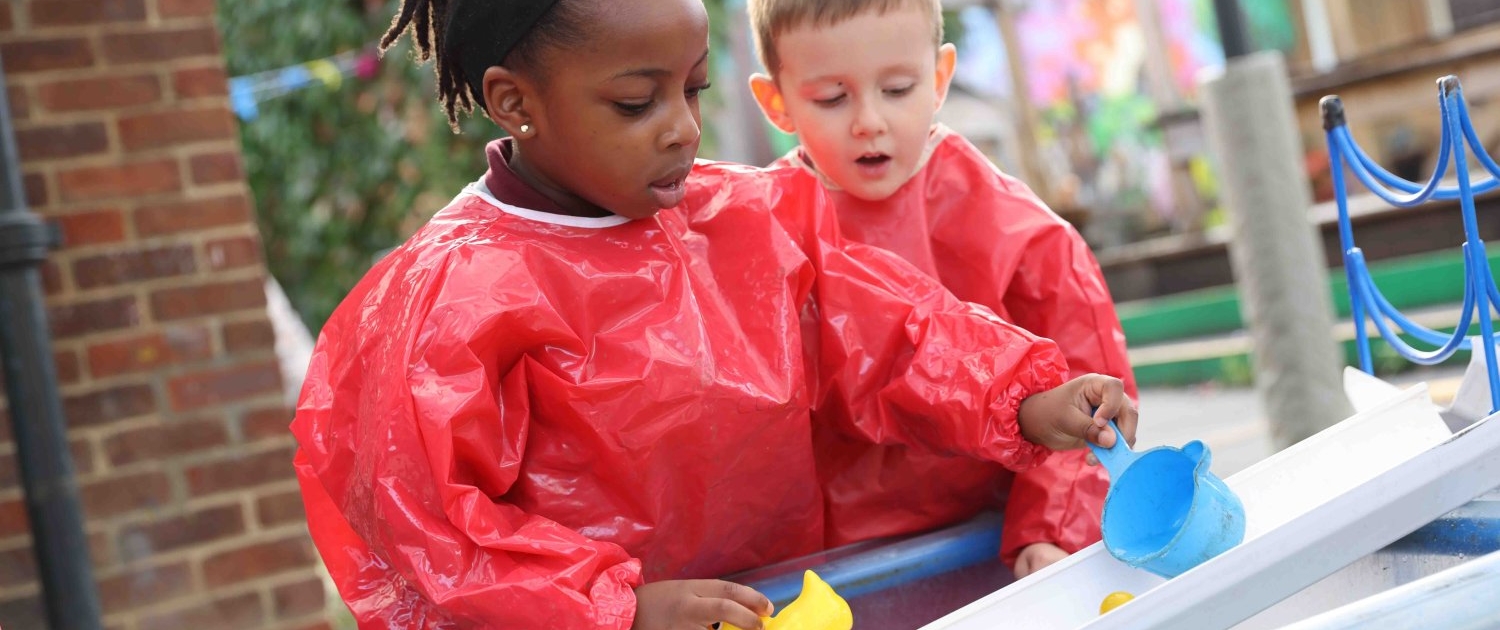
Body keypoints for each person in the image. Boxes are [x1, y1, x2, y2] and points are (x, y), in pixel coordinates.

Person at [291, 0, 1139, 627]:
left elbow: (888, 330)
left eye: (692, 90)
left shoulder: (742, 217)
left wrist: (1025, 398)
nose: (682, 130)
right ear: (515, 103)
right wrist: (618, 608)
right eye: (637, 103)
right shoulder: (448, 297)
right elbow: (431, 531)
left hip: (793, 607)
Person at [746, 0, 1138, 577]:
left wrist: (1050, 526)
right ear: (776, 101)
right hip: (835, 568)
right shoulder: (762, 233)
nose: (868, 121)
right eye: (831, 98)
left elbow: (1089, 388)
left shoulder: (1012, 227)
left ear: (938, 78)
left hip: (999, 538)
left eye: (897, 89)